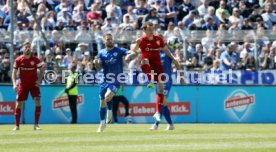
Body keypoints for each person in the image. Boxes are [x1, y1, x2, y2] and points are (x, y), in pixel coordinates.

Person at [127, 21, 179, 125]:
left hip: (159, 70)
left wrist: (174, 59)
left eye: (152, 29)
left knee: (160, 94)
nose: (151, 31)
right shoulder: (141, 41)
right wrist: (130, 55)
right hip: (149, 66)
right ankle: (150, 81)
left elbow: (166, 50)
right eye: (149, 29)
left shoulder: (159, 40)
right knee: (144, 61)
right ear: (145, 30)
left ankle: (158, 114)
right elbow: (134, 51)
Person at [94, 33, 136, 132]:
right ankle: (102, 123)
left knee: (108, 96)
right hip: (105, 80)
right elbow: (99, 67)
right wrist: (96, 63)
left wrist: (130, 55)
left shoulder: (119, 50)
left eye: (111, 39)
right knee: (102, 101)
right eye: (108, 39)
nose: (110, 41)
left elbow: (132, 53)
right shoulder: (101, 53)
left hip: (116, 79)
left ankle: (109, 111)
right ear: (104, 41)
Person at [150, 36, 184, 131]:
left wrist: (180, 76)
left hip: (166, 81)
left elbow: (176, 63)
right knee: (163, 104)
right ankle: (171, 124)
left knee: (161, 102)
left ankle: (156, 125)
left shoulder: (167, 51)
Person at [12, 41, 45, 131]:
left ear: (31, 49)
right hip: (23, 85)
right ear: (23, 49)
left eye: (29, 47)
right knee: (19, 104)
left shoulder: (35, 60)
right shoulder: (18, 60)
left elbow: (42, 70)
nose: (27, 49)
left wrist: (39, 80)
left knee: (38, 102)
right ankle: (17, 126)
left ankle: (36, 124)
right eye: (26, 47)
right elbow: (14, 73)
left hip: (34, 85)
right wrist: (14, 84)